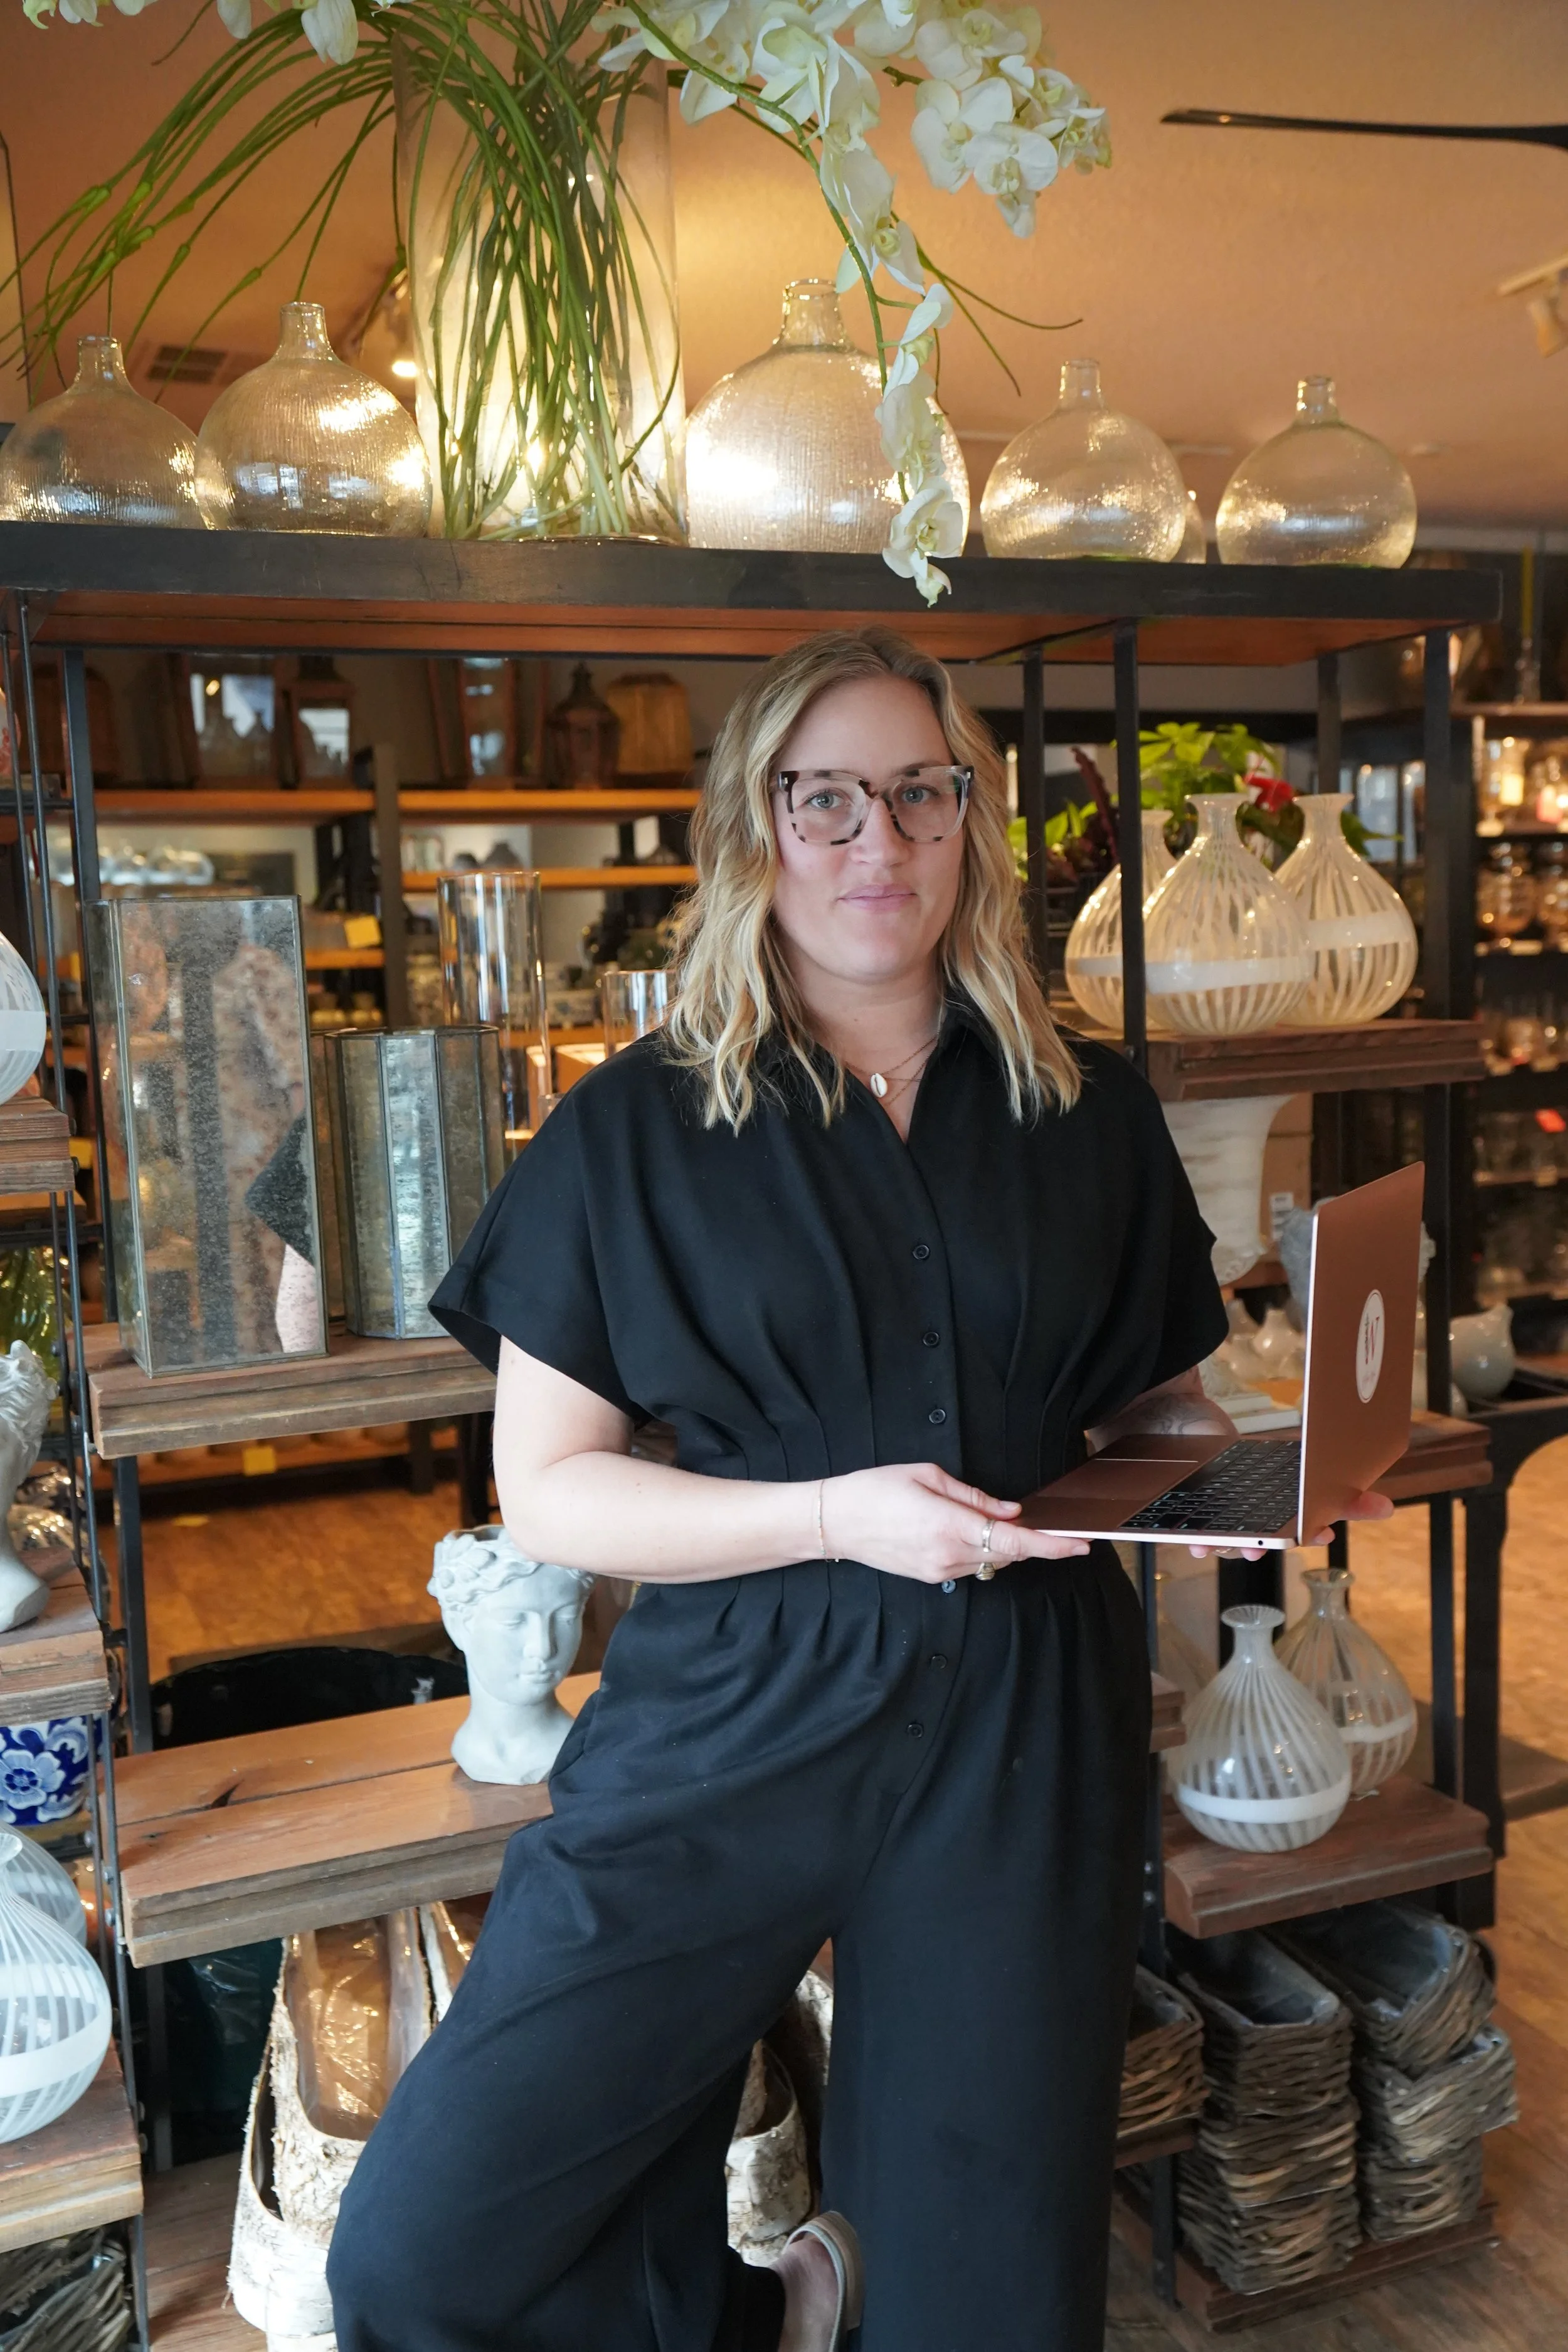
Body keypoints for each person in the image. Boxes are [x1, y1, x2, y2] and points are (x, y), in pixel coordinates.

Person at [327, 627, 1391, 2352]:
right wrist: (834, 1514)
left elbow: (1156, 1404)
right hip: (734, 1696)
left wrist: (1267, 1470)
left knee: (984, 2287)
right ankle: (775, 2315)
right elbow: (552, 1493)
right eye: (824, 799)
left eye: (918, 793)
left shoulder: (1082, 1107)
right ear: (754, 830)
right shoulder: (633, 1131)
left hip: (1020, 1716)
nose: (874, 842)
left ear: (970, 823)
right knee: (430, 2250)